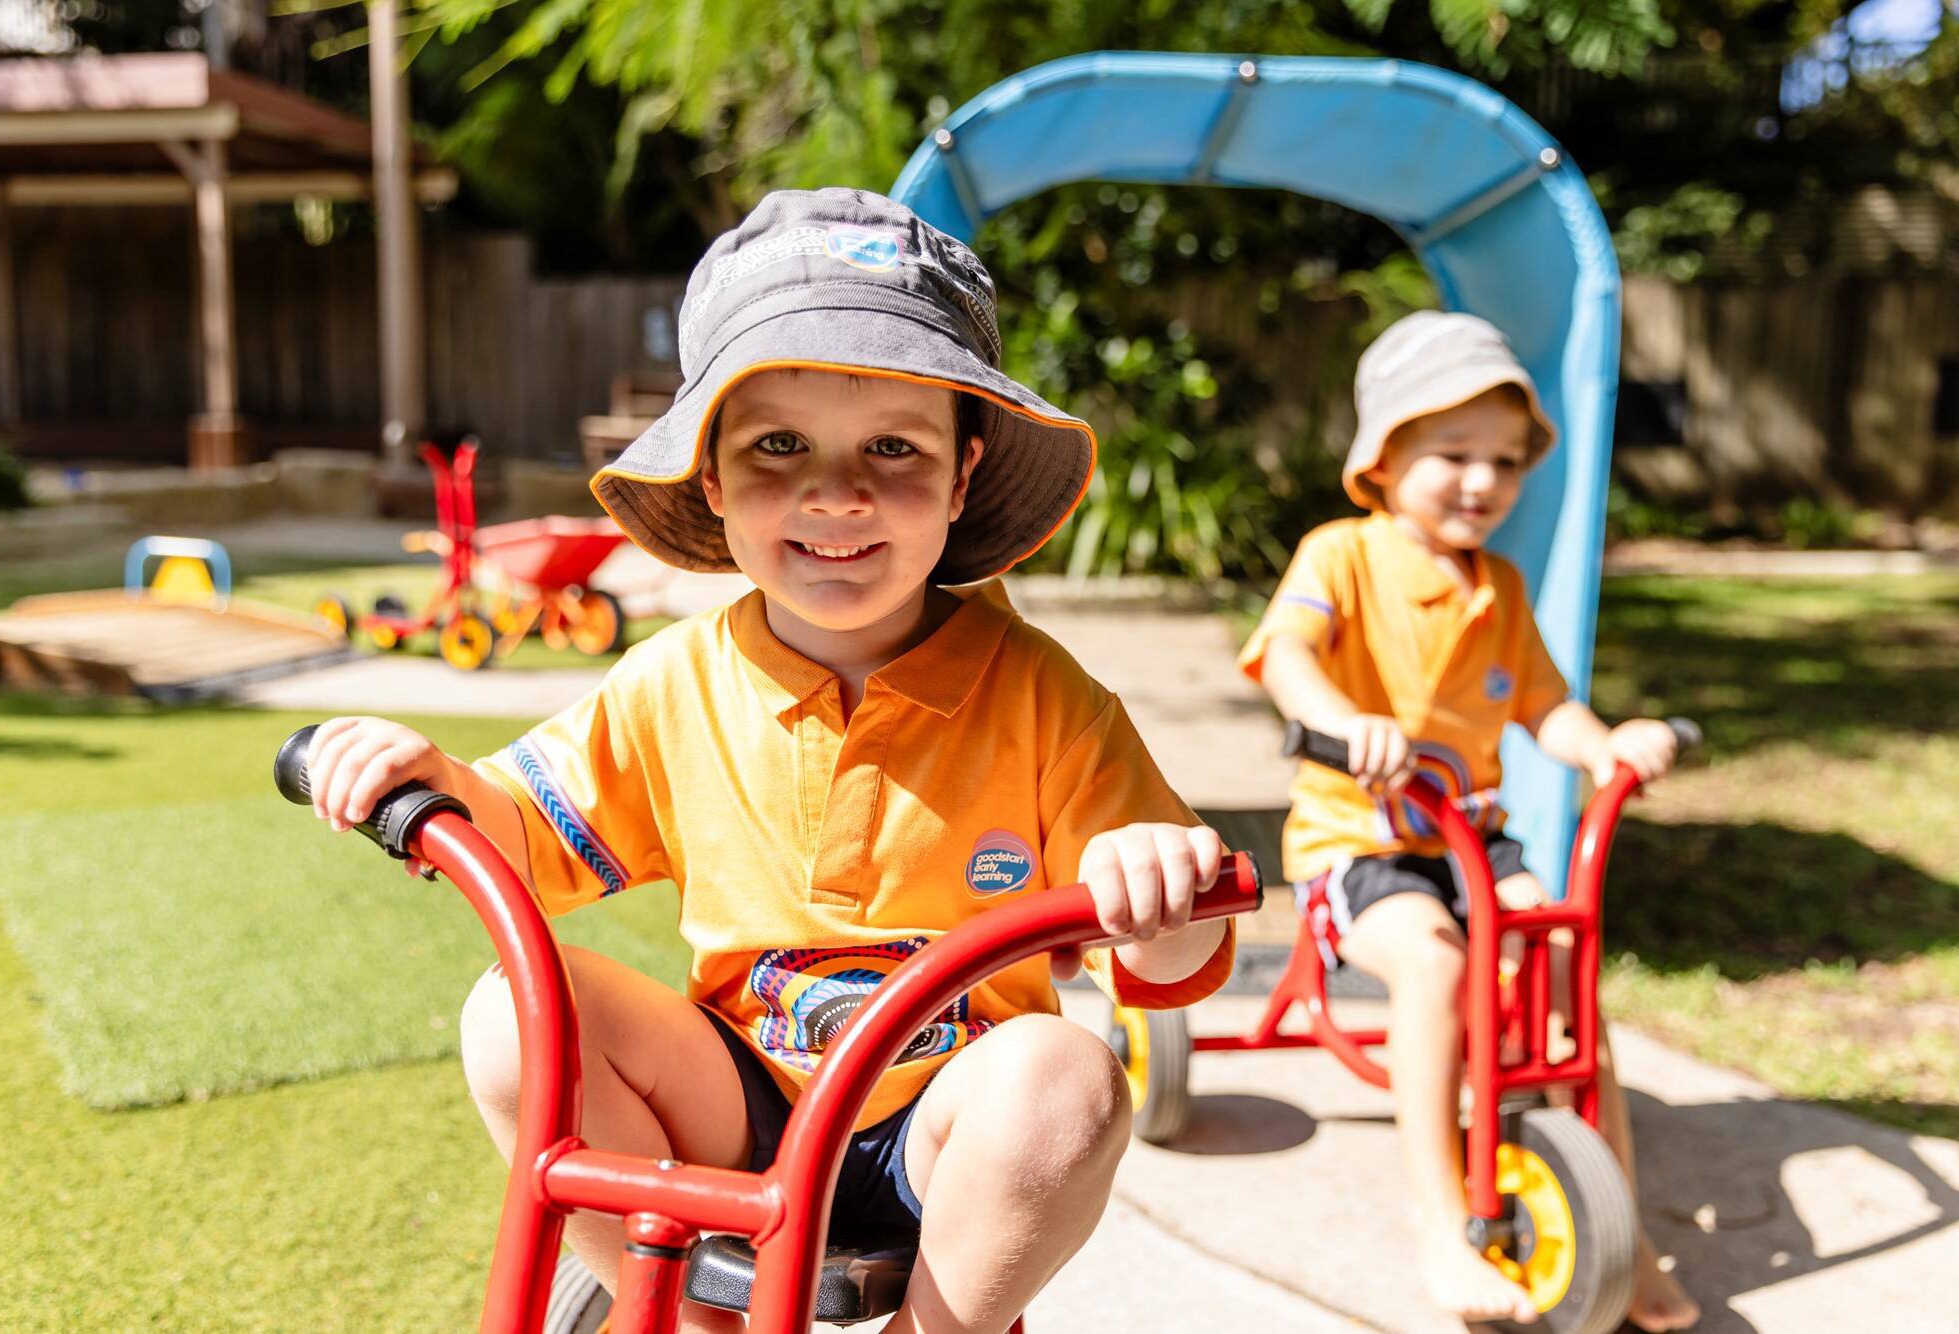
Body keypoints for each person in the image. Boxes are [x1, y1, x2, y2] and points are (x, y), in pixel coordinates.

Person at [302, 188, 1234, 1334]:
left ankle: (934, 1328)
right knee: (516, 1017)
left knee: (1065, 1077)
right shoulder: (671, 678)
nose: (833, 491)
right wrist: (439, 781)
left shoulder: (1046, 698)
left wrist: (1155, 883)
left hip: (940, 1123)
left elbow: (1179, 954)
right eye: (776, 444)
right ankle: (690, 1319)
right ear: (711, 478)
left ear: (961, 475)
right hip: (733, 1098)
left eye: (892, 446)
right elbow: (523, 838)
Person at [1238, 311, 1699, 1330]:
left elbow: (1544, 706)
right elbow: (1285, 657)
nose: (1479, 481)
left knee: (1560, 961)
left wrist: (1603, 743)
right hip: (1359, 841)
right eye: (1451, 453)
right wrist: (1342, 720)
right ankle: (1442, 1220)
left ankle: (1625, 1221)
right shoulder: (1340, 555)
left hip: (1470, 840)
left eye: (1502, 459)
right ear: (1383, 457)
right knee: (1437, 960)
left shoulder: (1498, 585)